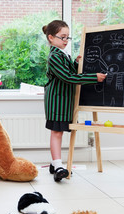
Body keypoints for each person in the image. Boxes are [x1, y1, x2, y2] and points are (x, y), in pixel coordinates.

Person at [42, 20, 106, 182]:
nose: (65, 40)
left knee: (60, 131)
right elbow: (68, 77)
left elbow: (68, 70)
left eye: (67, 38)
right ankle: (58, 166)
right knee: (56, 132)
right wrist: (93, 77)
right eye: (62, 37)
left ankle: (54, 163)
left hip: (64, 100)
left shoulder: (63, 55)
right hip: (57, 101)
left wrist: (75, 63)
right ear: (51, 37)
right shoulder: (55, 56)